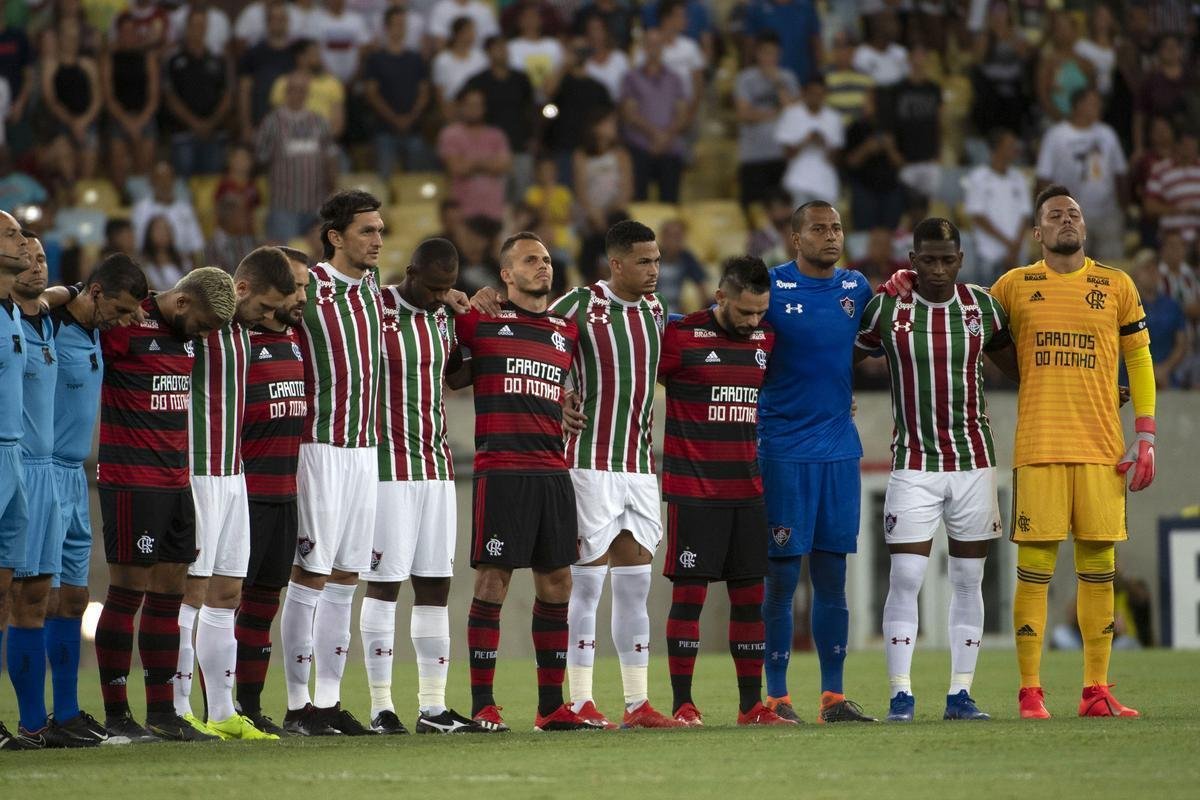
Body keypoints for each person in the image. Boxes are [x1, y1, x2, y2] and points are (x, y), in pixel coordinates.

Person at [991, 186, 1156, 719]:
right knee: (1035, 569)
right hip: (1039, 445)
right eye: (1055, 215)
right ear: (1037, 233)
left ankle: (1096, 690)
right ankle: (1030, 691)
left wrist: (1146, 434)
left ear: (1084, 227)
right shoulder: (1013, 286)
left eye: (1074, 213)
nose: (1067, 219)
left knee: (1099, 568)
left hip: (1102, 447)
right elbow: (973, 331)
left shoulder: (1117, 285)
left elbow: (1141, 359)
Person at [856, 218, 1016, 723]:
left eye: (948, 259)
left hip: (974, 462)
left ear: (962, 260)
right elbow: (848, 358)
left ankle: (960, 694)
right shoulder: (887, 307)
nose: (939, 269)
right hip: (913, 463)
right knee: (906, 575)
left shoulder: (984, 308)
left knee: (969, 578)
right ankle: (900, 693)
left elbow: (1018, 367)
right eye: (928, 260)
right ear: (912, 259)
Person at [526, 220, 679, 730]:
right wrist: (559, 398)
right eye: (643, 261)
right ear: (616, 263)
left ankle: (637, 704)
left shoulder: (656, 311)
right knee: (585, 589)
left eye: (657, 260)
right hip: (588, 464)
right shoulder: (578, 305)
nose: (654, 270)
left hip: (639, 466)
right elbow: (534, 353)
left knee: (636, 588)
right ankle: (581, 699)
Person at [451, 232, 594, 733]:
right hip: (502, 469)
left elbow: (563, 386)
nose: (543, 266)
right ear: (506, 274)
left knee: (558, 582)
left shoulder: (565, 330)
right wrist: (463, 300)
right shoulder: (482, 320)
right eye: (530, 260)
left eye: (548, 260)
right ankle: (483, 704)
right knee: (493, 580)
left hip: (552, 469)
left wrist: (567, 403)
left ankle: (551, 707)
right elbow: (452, 373)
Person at [95, 267, 235, 743]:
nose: (206, 335)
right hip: (131, 479)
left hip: (176, 480)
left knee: (170, 593)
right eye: (204, 325)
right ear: (181, 303)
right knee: (127, 592)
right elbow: (79, 309)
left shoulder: (185, 335)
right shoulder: (125, 323)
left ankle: (162, 713)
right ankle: (116, 715)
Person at [659, 255, 791, 727]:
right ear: (721, 297)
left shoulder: (766, 339)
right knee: (689, 597)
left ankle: (750, 706)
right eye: (745, 312)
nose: (754, 321)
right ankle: (683, 704)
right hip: (693, 490)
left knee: (749, 597)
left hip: (747, 490)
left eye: (761, 312)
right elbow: (629, 377)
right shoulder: (678, 337)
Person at [757, 201, 876, 724]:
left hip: (838, 450)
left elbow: (874, 344)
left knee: (832, 576)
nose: (831, 236)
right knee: (782, 577)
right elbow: (722, 332)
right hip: (782, 448)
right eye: (819, 229)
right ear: (795, 238)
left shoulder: (857, 289)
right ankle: (778, 697)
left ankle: (832, 697)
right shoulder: (769, 288)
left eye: (837, 228)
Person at [361, 238, 483, 735]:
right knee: (385, 584)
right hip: (387, 468)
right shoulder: (375, 307)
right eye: (431, 288)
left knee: (435, 584)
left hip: (436, 465)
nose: (438, 297)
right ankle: (380, 707)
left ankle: (433, 708)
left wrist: (487, 338)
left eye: (447, 289)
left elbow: (458, 377)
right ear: (409, 272)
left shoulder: (445, 318)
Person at [173, 247, 294, 741]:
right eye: (264, 307)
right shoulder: (196, 329)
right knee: (190, 596)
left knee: (227, 593)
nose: (269, 318)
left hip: (234, 474)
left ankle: (223, 714)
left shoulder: (244, 334)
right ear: (240, 289)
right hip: (197, 474)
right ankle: (178, 710)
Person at [280, 191, 387, 736]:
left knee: (347, 574)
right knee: (312, 572)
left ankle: (327, 702)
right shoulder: (308, 287)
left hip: (365, 450)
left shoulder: (373, 290)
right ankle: (298, 706)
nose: (377, 240)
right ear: (336, 237)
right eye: (367, 231)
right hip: (317, 446)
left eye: (381, 230)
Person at [42, 254, 147, 747]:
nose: (126, 322)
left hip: (77, 479)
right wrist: (60, 291)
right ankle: (29, 719)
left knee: (74, 598)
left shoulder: (96, 331)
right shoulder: (47, 320)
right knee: (24, 598)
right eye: (122, 310)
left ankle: (65, 715)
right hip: (36, 469)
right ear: (98, 292)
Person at [234, 247, 312, 736]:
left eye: (304, 287)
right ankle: (218, 706)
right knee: (227, 603)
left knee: (265, 603)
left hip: (286, 492)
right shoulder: (235, 340)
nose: (300, 297)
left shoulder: (299, 338)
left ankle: (252, 706)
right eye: (293, 288)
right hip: (244, 493)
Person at [5, 233, 66, 748]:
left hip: (48, 474)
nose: (34, 263)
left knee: (39, 597)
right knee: (11, 595)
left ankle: (34, 723)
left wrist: (57, 295)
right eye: (25, 256)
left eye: (42, 257)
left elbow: (67, 294)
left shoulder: (47, 318)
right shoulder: (9, 316)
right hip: (16, 463)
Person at [1035, 88, 1128, 263]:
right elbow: (1043, 178)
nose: (1098, 107)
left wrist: (1123, 209)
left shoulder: (1107, 134)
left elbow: (1120, 174)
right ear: (1078, 106)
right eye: (1093, 103)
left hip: (1107, 214)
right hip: (1068, 217)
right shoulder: (1056, 135)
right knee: (1071, 266)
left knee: (1110, 268)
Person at [0, 210, 29, 751]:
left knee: (4, 596)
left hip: (17, 459)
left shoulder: (18, 313)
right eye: (10, 234)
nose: (22, 242)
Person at [256, 73, 338, 243]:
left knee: (321, 257)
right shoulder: (271, 122)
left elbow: (330, 157)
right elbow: (260, 158)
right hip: (284, 206)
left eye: (302, 90)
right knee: (285, 258)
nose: (297, 94)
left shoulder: (319, 122)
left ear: (307, 94)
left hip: (317, 204)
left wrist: (332, 190)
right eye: (293, 90)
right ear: (286, 92)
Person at [463, 36, 536, 202]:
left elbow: (531, 110)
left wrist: (533, 136)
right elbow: (467, 108)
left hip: (519, 144)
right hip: (490, 150)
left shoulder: (521, 79)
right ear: (488, 53)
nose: (502, 52)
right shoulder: (478, 81)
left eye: (504, 48)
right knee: (495, 195)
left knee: (522, 195)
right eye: (497, 48)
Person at [162, 8, 234, 178]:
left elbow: (227, 95)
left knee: (211, 185)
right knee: (184, 185)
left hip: (213, 133)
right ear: (186, 27)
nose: (198, 29)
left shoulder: (218, 59)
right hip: (182, 133)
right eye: (194, 25)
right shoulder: (173, 60)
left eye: (202, 25)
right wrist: (194, 123)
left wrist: (210, 123)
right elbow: (170, 96)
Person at [619, 28, 688, 203]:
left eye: (657, 44)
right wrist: (655, 134)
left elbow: (681, 113)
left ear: (663, 47)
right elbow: (629, 113)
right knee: (639, 203)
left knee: (670, 202)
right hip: (640, 147)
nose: (653, 48)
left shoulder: (675, 78)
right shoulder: (631, 77)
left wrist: (666, 136)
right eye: (649, 44)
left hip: (670, 147)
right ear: (643, 47)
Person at [363, 7, 432, 177]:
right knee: (384, 177)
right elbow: (372, 94)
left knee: (417, 179)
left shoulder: (416, 59)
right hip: (384, 130)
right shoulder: (375, 59)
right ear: (387, 27)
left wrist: (411, 117)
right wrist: (394, 118)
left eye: (403, 24)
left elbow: (423, 92)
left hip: (413, 128)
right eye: (397, 24)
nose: (400, 28)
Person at [734, 31, 799, 210]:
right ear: (757, 53)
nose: (769, 58)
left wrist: (777, 83)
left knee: (783, 212)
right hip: (753, 156)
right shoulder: (745, 79)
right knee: (753, 210)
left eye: (773, 53)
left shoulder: (788, 78)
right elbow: (744, 114)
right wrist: (777, 113)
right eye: (765, 52)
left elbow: (794, 113)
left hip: (781, 156)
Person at [964, 128, 1033, 284]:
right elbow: (978, 216)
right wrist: (1008, 244)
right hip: (989, 254)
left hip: (1017, 254)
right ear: (996, 149)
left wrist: (1015, 247)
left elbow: (1025, 214)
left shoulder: (1019, 177)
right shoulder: (979, 177)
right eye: (1009, 145)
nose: (1014, 149)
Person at [101, 13, 160, 192]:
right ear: (118, 33)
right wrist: (127, 122)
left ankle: (141, 192)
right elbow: (108, 96)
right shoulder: (109, 58)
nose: (128, 35)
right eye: (124, 31)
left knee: (146, 147)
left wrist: (140, 121)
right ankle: (121, 195)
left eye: (131, 31)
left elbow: (154, 95)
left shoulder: (147, 57)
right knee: (118, 152)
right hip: (119, 115)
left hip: (144, 114)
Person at [39, 19, 101, 183]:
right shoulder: (51, 66)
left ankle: (84, 191)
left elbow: (97, 98)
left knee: (89, 151)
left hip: (86, 121)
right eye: (67, 37)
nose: (71, 41)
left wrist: (84, 121)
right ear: (60, 39)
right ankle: (69, 187)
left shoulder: (88, 65)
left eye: (74, 37)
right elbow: (51, 100)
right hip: (60, 123)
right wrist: (72, 122)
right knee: (64, 150)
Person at [573, 109, 633, 282]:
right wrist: (594, 213)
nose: (613, 127)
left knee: (615, 225)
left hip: (614, 212)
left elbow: (626, 190)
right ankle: (594, 272)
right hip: (589, 212)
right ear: (595, 127)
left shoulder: (621, 154)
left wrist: (608, 213)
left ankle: (601, 267)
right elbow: (581, 191)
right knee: (596, 230)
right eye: (609, 123)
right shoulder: (582, 155)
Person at [437, 86, 511, 223]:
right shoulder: (450, 134)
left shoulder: (497, 135)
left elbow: (503, 166)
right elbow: (456, 168)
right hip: (463, 212)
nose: (473, 108)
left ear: (484, 108)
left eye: (477, 104)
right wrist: (487, 163)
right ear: (461, 107)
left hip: (494, 210)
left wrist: (471, 162)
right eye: (469, 104)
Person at [881, 47, 942, 203]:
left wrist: (939, 151)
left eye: (923, 56)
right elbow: (888, 125)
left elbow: (938, 122)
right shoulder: (898, 90)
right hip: (905, 158)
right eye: (916, 56)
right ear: (909, 60)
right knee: (908, 207)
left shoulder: (934, 89)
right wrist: (892, 152)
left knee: (930, 210)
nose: (919, 61)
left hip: (929, 158)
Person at [775, 76, 844, 207]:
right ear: (804, 93)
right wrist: (805, 141)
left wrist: (825, 143)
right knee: (800, 225)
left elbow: (836, 160)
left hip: (826, 184)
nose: (816, 98)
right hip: (798, 181)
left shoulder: (834, 118)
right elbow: (786, 154)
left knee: (824, 226)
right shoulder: (790, 114)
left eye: (820, 94)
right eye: (813, 94)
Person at [236, 0, 294, 142]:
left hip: (292, 125)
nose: (279, 22)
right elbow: (244, 92)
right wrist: (246, 125)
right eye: (275, 18)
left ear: (287, 21)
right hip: (261, 123)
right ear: (267, 22)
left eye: (282, 18)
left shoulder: (297, 54)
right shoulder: (253, 54)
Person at [131, 160, 205, 268]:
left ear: (174, 180)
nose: (164, 183)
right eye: (159, 179)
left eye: (167, 178)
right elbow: (137, 247)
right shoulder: (140, 209)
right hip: (150, 267)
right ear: (151, 181)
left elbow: (196, 247)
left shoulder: (186, 210)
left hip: (182, 268)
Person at [741, 0, 822, 86]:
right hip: (764, 85)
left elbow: (816, 45)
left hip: (803, 81)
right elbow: (749, 49)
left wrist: (817, 79)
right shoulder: (756, 8)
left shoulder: (806, 6)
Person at [1036, 11, 1095, 124]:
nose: (1061, 32)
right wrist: (1060, 118)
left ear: (1075, 31)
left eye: (1065, 27)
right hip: (1054, 120)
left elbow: (1092, 93)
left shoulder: (1085, 63)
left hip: (1083, 121)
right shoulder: (1047, 61)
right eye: (1058, 28)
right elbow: (1042, 95)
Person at [430, 17, 487, 113]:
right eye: (469, 30)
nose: (473, 34)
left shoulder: (481, 57)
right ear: (458, 33)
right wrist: (448, 113)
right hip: (451, 108)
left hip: (475, 109)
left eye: (473, 31)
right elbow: (439, 92)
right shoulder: (442, 60)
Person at [507, 1, 562, 98]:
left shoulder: (553, 45)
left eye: (533, 16)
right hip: (522, 98)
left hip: (552, 98)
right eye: (526, 17)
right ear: (519, 21)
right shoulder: (511, 47)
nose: (530, 21)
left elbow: (559, 71)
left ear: (540, 20)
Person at [309, 0, 370, 85]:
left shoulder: (356, 20)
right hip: (326, 79)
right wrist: (326, 74)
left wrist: (356, 75)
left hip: (353, 79)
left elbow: (365, 48)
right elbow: (313, 50)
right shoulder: (317, 20)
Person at [656, 218, 707, 312]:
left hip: (680, 311)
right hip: (654, 309)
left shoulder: (687, 258)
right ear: (662, 237)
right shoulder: (651, 257)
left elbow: (701, 286)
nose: (674, 240)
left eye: (678, 236)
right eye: (669, 236)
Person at [139, 215, 189, 291]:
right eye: (158, 229)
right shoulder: (143, 263)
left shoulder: (182, 260)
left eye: (166, 229)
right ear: (149, 233)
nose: (163, 233)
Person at [427, 0, 498, 50]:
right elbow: (439, 42)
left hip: (481, 60)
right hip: (451, 58)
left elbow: (492, 40)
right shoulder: (441, 9)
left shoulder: (484, 10)